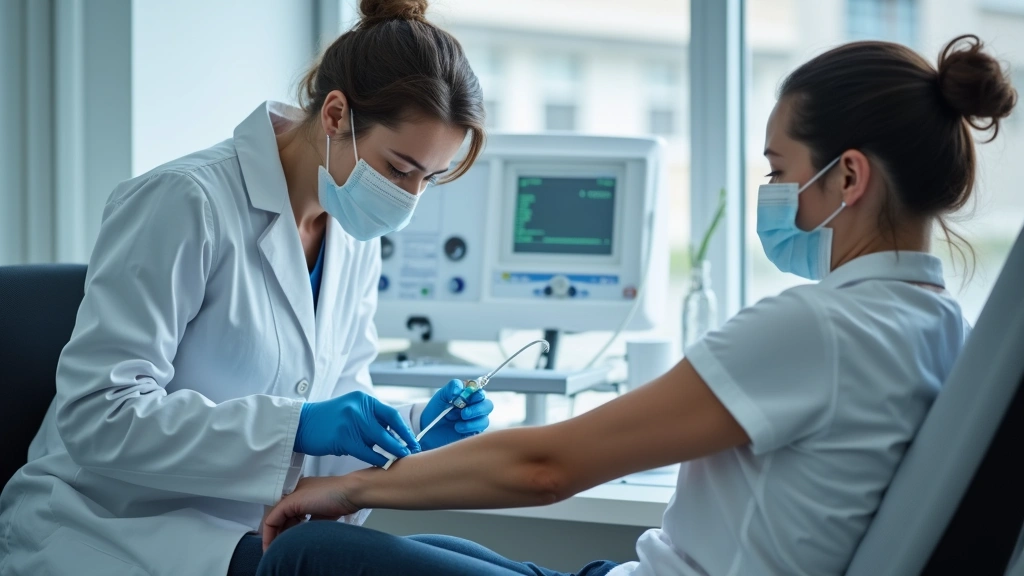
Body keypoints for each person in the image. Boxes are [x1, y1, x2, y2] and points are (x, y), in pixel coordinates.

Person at [257, 34, 1018, 576]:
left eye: (779, 169)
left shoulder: (820, 327)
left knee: (305, 553)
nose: (772, 192)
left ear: (848, 178)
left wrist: (348, 485)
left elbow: (547, 467)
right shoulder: (941, 326)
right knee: (439, 553)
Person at [0, 1, 489, 575]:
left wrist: (411, 427)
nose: (409, 198)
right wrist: (300, 424)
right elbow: (97, 417)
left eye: (429, 179)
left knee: (450, 557)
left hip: (246, 531)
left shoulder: (353, 235)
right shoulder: (185, 202)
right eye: (400, 169)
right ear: (335, 116)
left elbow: (337, 410)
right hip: (115, 529)